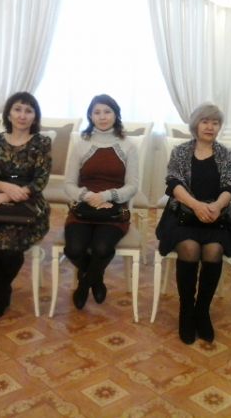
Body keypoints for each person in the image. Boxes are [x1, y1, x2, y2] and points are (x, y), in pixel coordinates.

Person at [156, 103, 231, 344]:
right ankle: (186, 310)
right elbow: (174, 184)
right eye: (205, 121)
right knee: (190, 248)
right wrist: (197, 206)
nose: (210, 127)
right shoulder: (181, 151)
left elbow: (229, 188)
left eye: (215, 122)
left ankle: (202, 311)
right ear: (196, 125)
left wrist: (216, 207)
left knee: (213, 250)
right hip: (183, 215)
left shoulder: (226, 155)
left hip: (217, 216)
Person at [0, 92, 51, 320]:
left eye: (28, 111)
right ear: (8, 113)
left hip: (29, 202)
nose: (22, 115)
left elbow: (40, 180)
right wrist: (5, 189)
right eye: (17, 109)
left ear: (35, 116)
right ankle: (3, 289)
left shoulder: (42, 142)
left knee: (11, 248)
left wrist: (8, 195)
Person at [64, 94, 138, 309]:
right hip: (83, 206)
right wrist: (88, 196)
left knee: (102, 248)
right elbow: (69, 184)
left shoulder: (128, 146)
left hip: (114, 207)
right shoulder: (81, 144)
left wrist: (106, 196)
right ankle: (96, 278)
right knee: (74, 250)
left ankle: (84, 284)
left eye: (107, 112)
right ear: (90, 116)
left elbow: (132, 186)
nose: (102, 117)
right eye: (97, 112)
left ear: (116, 114)